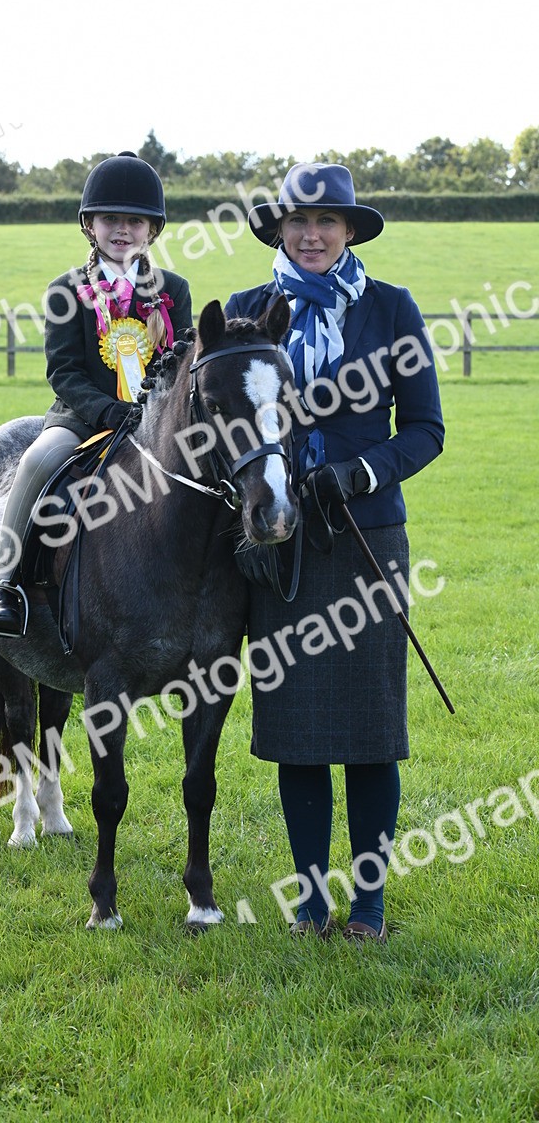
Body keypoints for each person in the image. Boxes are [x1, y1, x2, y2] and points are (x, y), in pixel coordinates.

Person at [224, 162, 444, 942]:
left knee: (369, 730)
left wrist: (358, 471)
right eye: (297, 222)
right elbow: (216, 429)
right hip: (278, 541)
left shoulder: (391, 310)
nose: (311, 234)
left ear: (350, 230)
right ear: (279, 230)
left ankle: (371, 906)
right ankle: (312, 903)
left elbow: (425, 429)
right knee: (298, 730)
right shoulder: (248, 312)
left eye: (327, 222)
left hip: (366, 537)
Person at [0, 150, 192, 637]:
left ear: (152, 230)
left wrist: (157, 414)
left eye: (135, 221)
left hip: (157, 422)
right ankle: (4, 585)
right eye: (110, 219)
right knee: (37, 461)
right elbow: (65, 373)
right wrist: (110, 412)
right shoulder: (67, 289)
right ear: (88, 225)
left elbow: (181, 363)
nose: (122, 230)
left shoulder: (173, 289)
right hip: (80, 418)